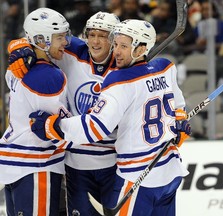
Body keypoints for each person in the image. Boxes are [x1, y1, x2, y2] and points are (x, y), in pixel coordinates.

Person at [29, 19, 191, 216]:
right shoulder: (165, 68)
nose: (116, 52)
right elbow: (178, 105)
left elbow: (95, 127)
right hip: (169, 171)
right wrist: (180, 121)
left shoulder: (119, 80)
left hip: (137, 174)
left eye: (123, 46)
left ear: (141, 50)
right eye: (116, 45)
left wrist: (53, 126)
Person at [7, 11, 121, 216]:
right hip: (68, 161)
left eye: (103, 35)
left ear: (115, 39)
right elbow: (40, 37)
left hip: (113, 161)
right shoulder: (70, 53)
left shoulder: (126, 64)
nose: (95, 41)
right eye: (91, 34)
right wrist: (18, 45)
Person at [0, 8, 71, 215]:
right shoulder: (48, 77)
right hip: (37, 165)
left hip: (14, 162)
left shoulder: (16, 66)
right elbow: (57, 131)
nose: (65, 42)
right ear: (42, 40)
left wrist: (18, 43)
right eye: (60, 37)